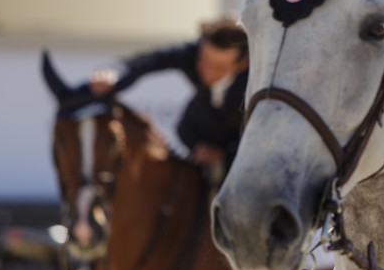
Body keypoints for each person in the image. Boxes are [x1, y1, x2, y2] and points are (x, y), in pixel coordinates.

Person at [52, 16, 249, 181]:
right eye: (204, 61)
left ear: (242, 64)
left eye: (219, 68)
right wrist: (114, 74)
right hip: (197, 130)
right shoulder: (191, 53)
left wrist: (225, 156)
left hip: (244, 138)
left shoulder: (256, 76)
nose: (207, 71)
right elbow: (147, 61)